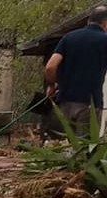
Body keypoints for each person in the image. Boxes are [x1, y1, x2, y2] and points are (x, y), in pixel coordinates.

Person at [45, 5, 107, 136]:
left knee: (68, 147)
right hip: (89, 105)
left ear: (89, 20)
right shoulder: (104, 41)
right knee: (86, 150)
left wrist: (51, 85)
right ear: (105, 22)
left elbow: (50, 66)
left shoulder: (69, 37)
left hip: (65, 102)